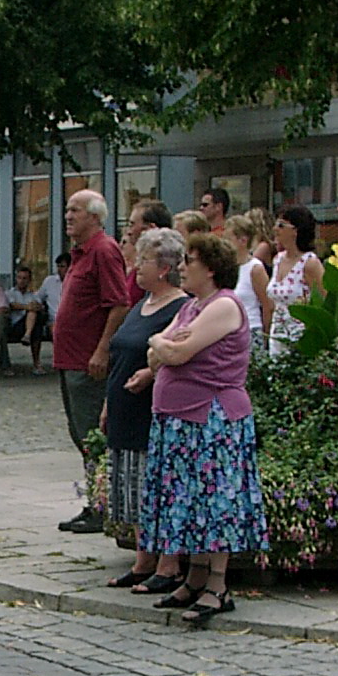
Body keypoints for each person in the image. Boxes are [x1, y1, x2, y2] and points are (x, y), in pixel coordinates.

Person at [140, 232, 268, 626]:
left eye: (189, 261)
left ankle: (217, 585)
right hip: (181, 419)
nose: (182, 267)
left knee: (214, 501)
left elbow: (176, 352)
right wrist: (162, 341)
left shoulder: (224, 306)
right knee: (188, 500)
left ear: (210, 268)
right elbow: (156, 354)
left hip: (212, 420)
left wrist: (165, 344)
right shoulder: (193, 307)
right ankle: (194, 577)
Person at [101, 228, 188, 591]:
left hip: (150, 412)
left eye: (144, 260)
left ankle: (168, 566)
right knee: (132, 489)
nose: (135, 266)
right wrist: (108, 403)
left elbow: (176, 354)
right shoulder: (142, 304)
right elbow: (122, 352)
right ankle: (143, 559)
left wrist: (151, 373)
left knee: (154, 488)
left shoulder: (181, 307)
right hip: (123, 409)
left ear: (165, 267)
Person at [54, 191, 129, 532]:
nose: (68, 215)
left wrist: (102, 349)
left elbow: (118, 303)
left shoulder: (103, 250)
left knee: (92, 435)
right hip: (70, 359)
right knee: (80, 434)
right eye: (68, 209)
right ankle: (95, 501)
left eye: (76, 210)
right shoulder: (80, 253)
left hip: (88, 360)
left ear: (95, 217)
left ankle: (102, 506)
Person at [266, 204, 324, 359]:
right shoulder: (277, 260)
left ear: (295, 231)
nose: (275, 229)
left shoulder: (310, 263)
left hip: (300, 335)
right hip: (277, 334)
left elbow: (324, 301)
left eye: (281, 225)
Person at [225, 214, 271, 343]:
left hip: (250, 329)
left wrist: (266, 335)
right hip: (227, 331)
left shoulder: (255, 268)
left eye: (229, 239)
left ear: (243, 240)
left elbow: (267, 304)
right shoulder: (226, 267)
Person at [4, 264, 47, 373]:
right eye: (19, 278)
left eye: (25, 278)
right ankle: (36, 363)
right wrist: (27, 307)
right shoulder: (9, 293)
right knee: (32, 312)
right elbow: (12, 305)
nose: (22, 281)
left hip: (31, 328)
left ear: (29, 280)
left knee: (37, 325)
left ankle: (28, 337)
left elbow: (39, 305)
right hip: (15, 326)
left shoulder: (33, 295)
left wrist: (37, 307)